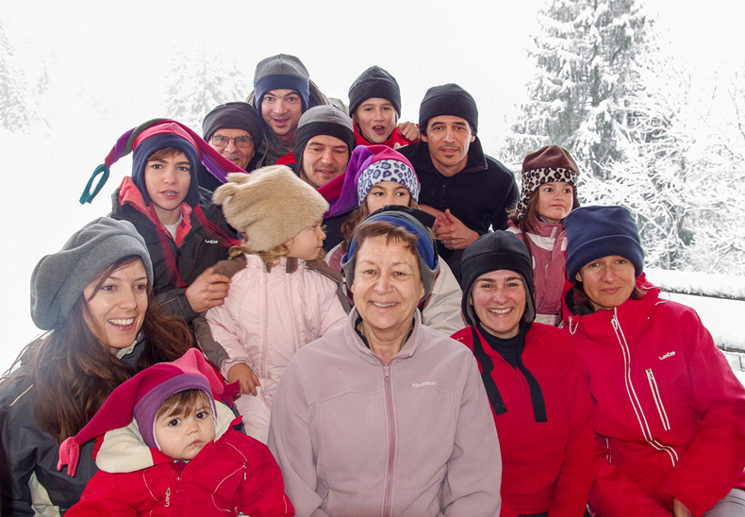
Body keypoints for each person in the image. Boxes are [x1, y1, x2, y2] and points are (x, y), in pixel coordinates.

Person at [268, 209, 503, 517]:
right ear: (351, 284)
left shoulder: (455, 365)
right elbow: (292, 490)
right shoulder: (307, 369)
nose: (382, 287)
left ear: (423, 288)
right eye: (369, 271)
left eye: (400, 273)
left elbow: (475, 484)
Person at [0, 217, 193, 516]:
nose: (130, 302)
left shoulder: (174, 366)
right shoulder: (26, 400)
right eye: (110, 287)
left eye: (139, 286)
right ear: (74, 299)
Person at [562, 206, 745, 517]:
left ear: (636, 267)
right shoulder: (568, 348)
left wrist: (689, 495)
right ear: (578, 273)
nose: (609, 276)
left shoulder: (678, 322)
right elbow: (585, 454)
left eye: (620, 261)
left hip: (713, 487)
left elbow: (728, 410)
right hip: (630, 500)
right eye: (594, 264)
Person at [452, 231, 593, 517]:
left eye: (512, 283)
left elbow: (580, 441)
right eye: (487, 284)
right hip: (486, 509)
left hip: (562, 506)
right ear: (470, 295)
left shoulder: (557, 344)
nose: (500, 297)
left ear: (527, 291)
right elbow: (457, 464)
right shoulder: (454, 356)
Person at [58, 349, 294, 517]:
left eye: (201, 415)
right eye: (174, 422)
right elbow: (97, 510)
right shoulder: (127, 469)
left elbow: (269, 502)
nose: (192, 428)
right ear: (149, 433)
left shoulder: (241, 455)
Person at [206, 166, 347, 443]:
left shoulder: (320, 282)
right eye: (312, 227)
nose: (321, 235)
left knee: (319, 441)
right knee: (258, 442)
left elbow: (339, 334)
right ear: (280, 234)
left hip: (307, 389)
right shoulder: (232, 279)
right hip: (253, 389)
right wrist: (235, 362)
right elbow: (216, 325)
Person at [101, 120, 240, 328]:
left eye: (182, 168)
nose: (170, 179)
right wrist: (185, 303)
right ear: (140, 171)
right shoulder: (115, 236)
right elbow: (107, 315)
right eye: (158, 166)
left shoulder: (219, 218)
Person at [325, 144, 464, 335]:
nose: (389, 202)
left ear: (411, 201)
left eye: (400, 193)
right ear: (364, 202)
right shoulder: (338, 258)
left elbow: (447, 318)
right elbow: (326, 318)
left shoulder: (429, 258)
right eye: (379, 193)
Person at [399, 83, 518, 281]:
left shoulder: (499, 179)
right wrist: (415, 209)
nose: (449, 138)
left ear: (473, 135)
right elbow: (366, 211)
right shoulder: (401, 164)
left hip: (469, 273)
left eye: (459, 128)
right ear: (424, 135)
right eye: (438, 128)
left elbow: (515, 242)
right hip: (404, 262)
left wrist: (477, 240)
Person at [506, 145, 580, 325]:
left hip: (567, 330)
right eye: (549, 189)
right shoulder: (513, 240)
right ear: (530, 194)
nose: (559, 197)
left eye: (566, 190)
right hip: (522, 329)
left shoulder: (578, 242)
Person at [248, 54, 328, 165]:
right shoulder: (244, 144)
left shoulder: (334, 135)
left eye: (291, 99)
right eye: (270, 98)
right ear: (259, 103)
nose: (280, 110)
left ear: (304, 103)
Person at [347, 65, 420, 148]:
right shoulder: (342, 144)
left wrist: (423, 141)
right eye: (368, 109)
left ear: (396, 116)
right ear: (355, 117)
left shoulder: (409, 143)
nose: (378, 117)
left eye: (385, 108)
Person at [198, 101, 265, 191]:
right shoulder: (189, 182)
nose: (231, 149)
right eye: (221, 139)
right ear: (207, 145)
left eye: (242, 140)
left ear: (253, 150)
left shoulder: (270, 183)